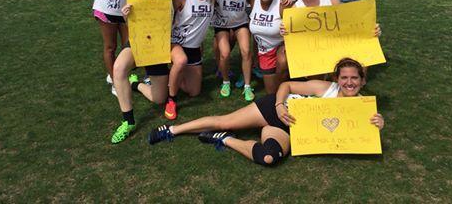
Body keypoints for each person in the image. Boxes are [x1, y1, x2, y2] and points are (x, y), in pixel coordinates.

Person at [147, 57, 384, 166]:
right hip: (275, 110)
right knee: (223, 120)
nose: (349, 82)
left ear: (363, 81)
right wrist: (280, 105)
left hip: (288, 130)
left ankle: (225, 141)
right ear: (337, 79)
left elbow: (361, 135)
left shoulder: (361, 108)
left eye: (355, 78)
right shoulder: (326, 87)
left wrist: (378, 125)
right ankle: (171, 130)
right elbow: (287, 85)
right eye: (345, 78)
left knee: (268, 158)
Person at [111, 0, 175, 143]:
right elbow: (131, 23)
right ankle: (128, 121)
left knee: (160, 99)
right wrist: (126, 15)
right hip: (139, 43)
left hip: (158, 49)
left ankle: (135, 84)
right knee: (119, 68)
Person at [165, 0, 215, 120]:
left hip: (194, 48)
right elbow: (167, 18)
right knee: (180, 61)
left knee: (194, 92)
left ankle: (167, 76)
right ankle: (171, 99)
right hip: (176, 42)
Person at [212, 0, 255, 101]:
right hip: (222, 24)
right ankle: (225, 82)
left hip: (240, 23)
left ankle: (247, 86)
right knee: (224, 53)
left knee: (246, 51)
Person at [249, 0, 292, 94]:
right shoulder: (254, 1)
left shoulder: (282, 3)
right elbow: (255, 33)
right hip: (264, 51)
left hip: (280, 47)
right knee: (271, 93)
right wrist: (255, 54)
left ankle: (288, 80)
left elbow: (294, 28)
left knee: (282, 63)